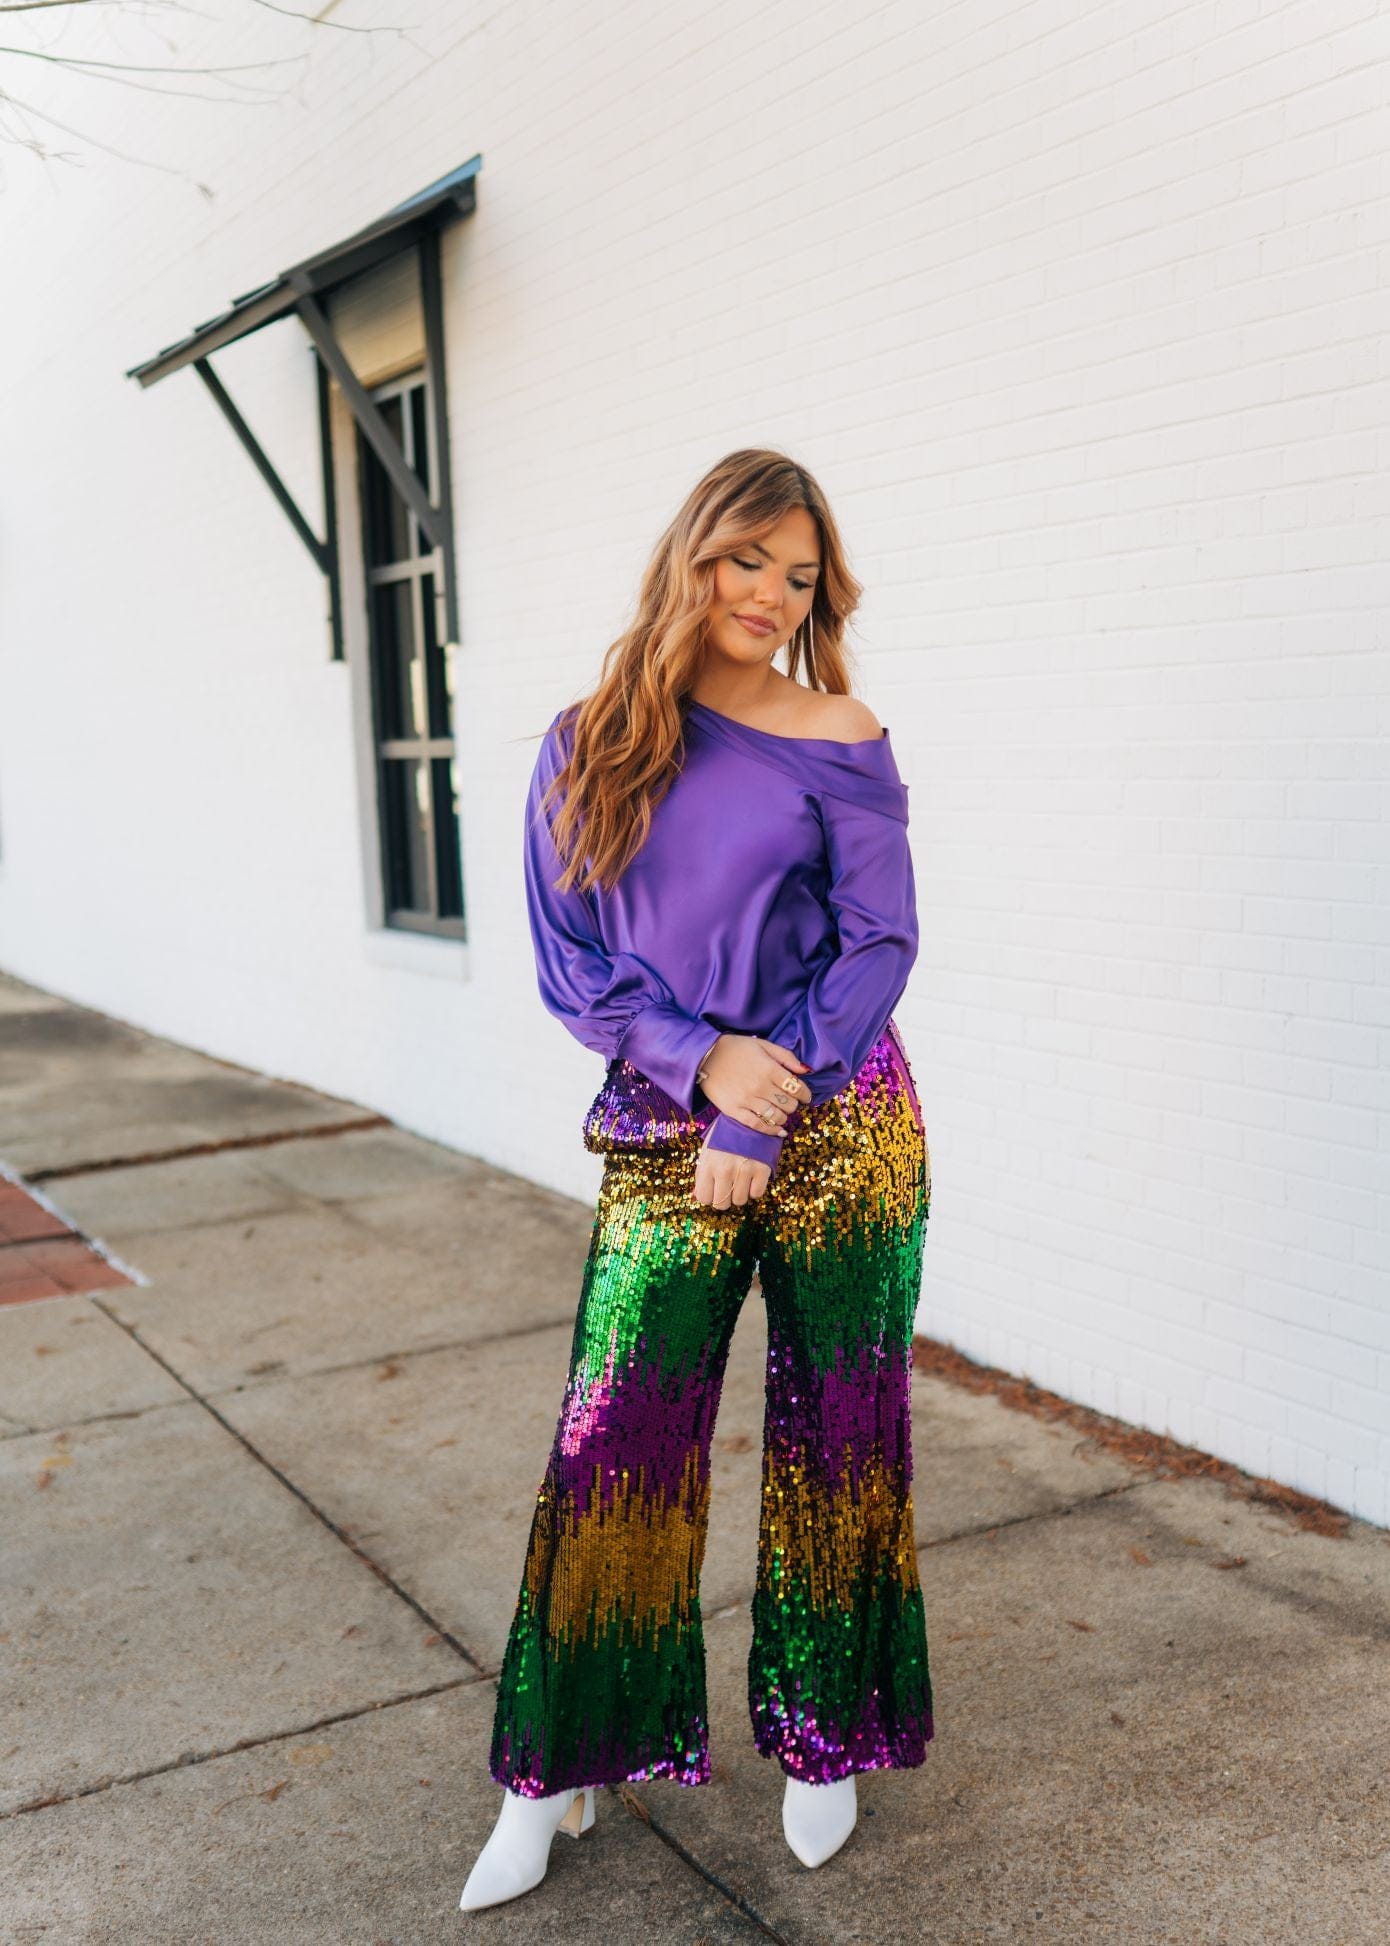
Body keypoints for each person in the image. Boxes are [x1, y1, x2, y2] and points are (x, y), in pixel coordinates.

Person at [460, 448, 934, 1912]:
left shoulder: (839, 732)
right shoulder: (586, 739)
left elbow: (878, 941)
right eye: (749, 560)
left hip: (842, 1122)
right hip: (669, 1123)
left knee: (840, 1436)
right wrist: (698, 1062)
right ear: (693, 555)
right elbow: (572, 967)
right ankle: (556, 1767)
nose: (771, 594)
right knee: (614, 1439)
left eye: (799, 575)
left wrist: (762, 1106)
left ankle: (825, 1738)